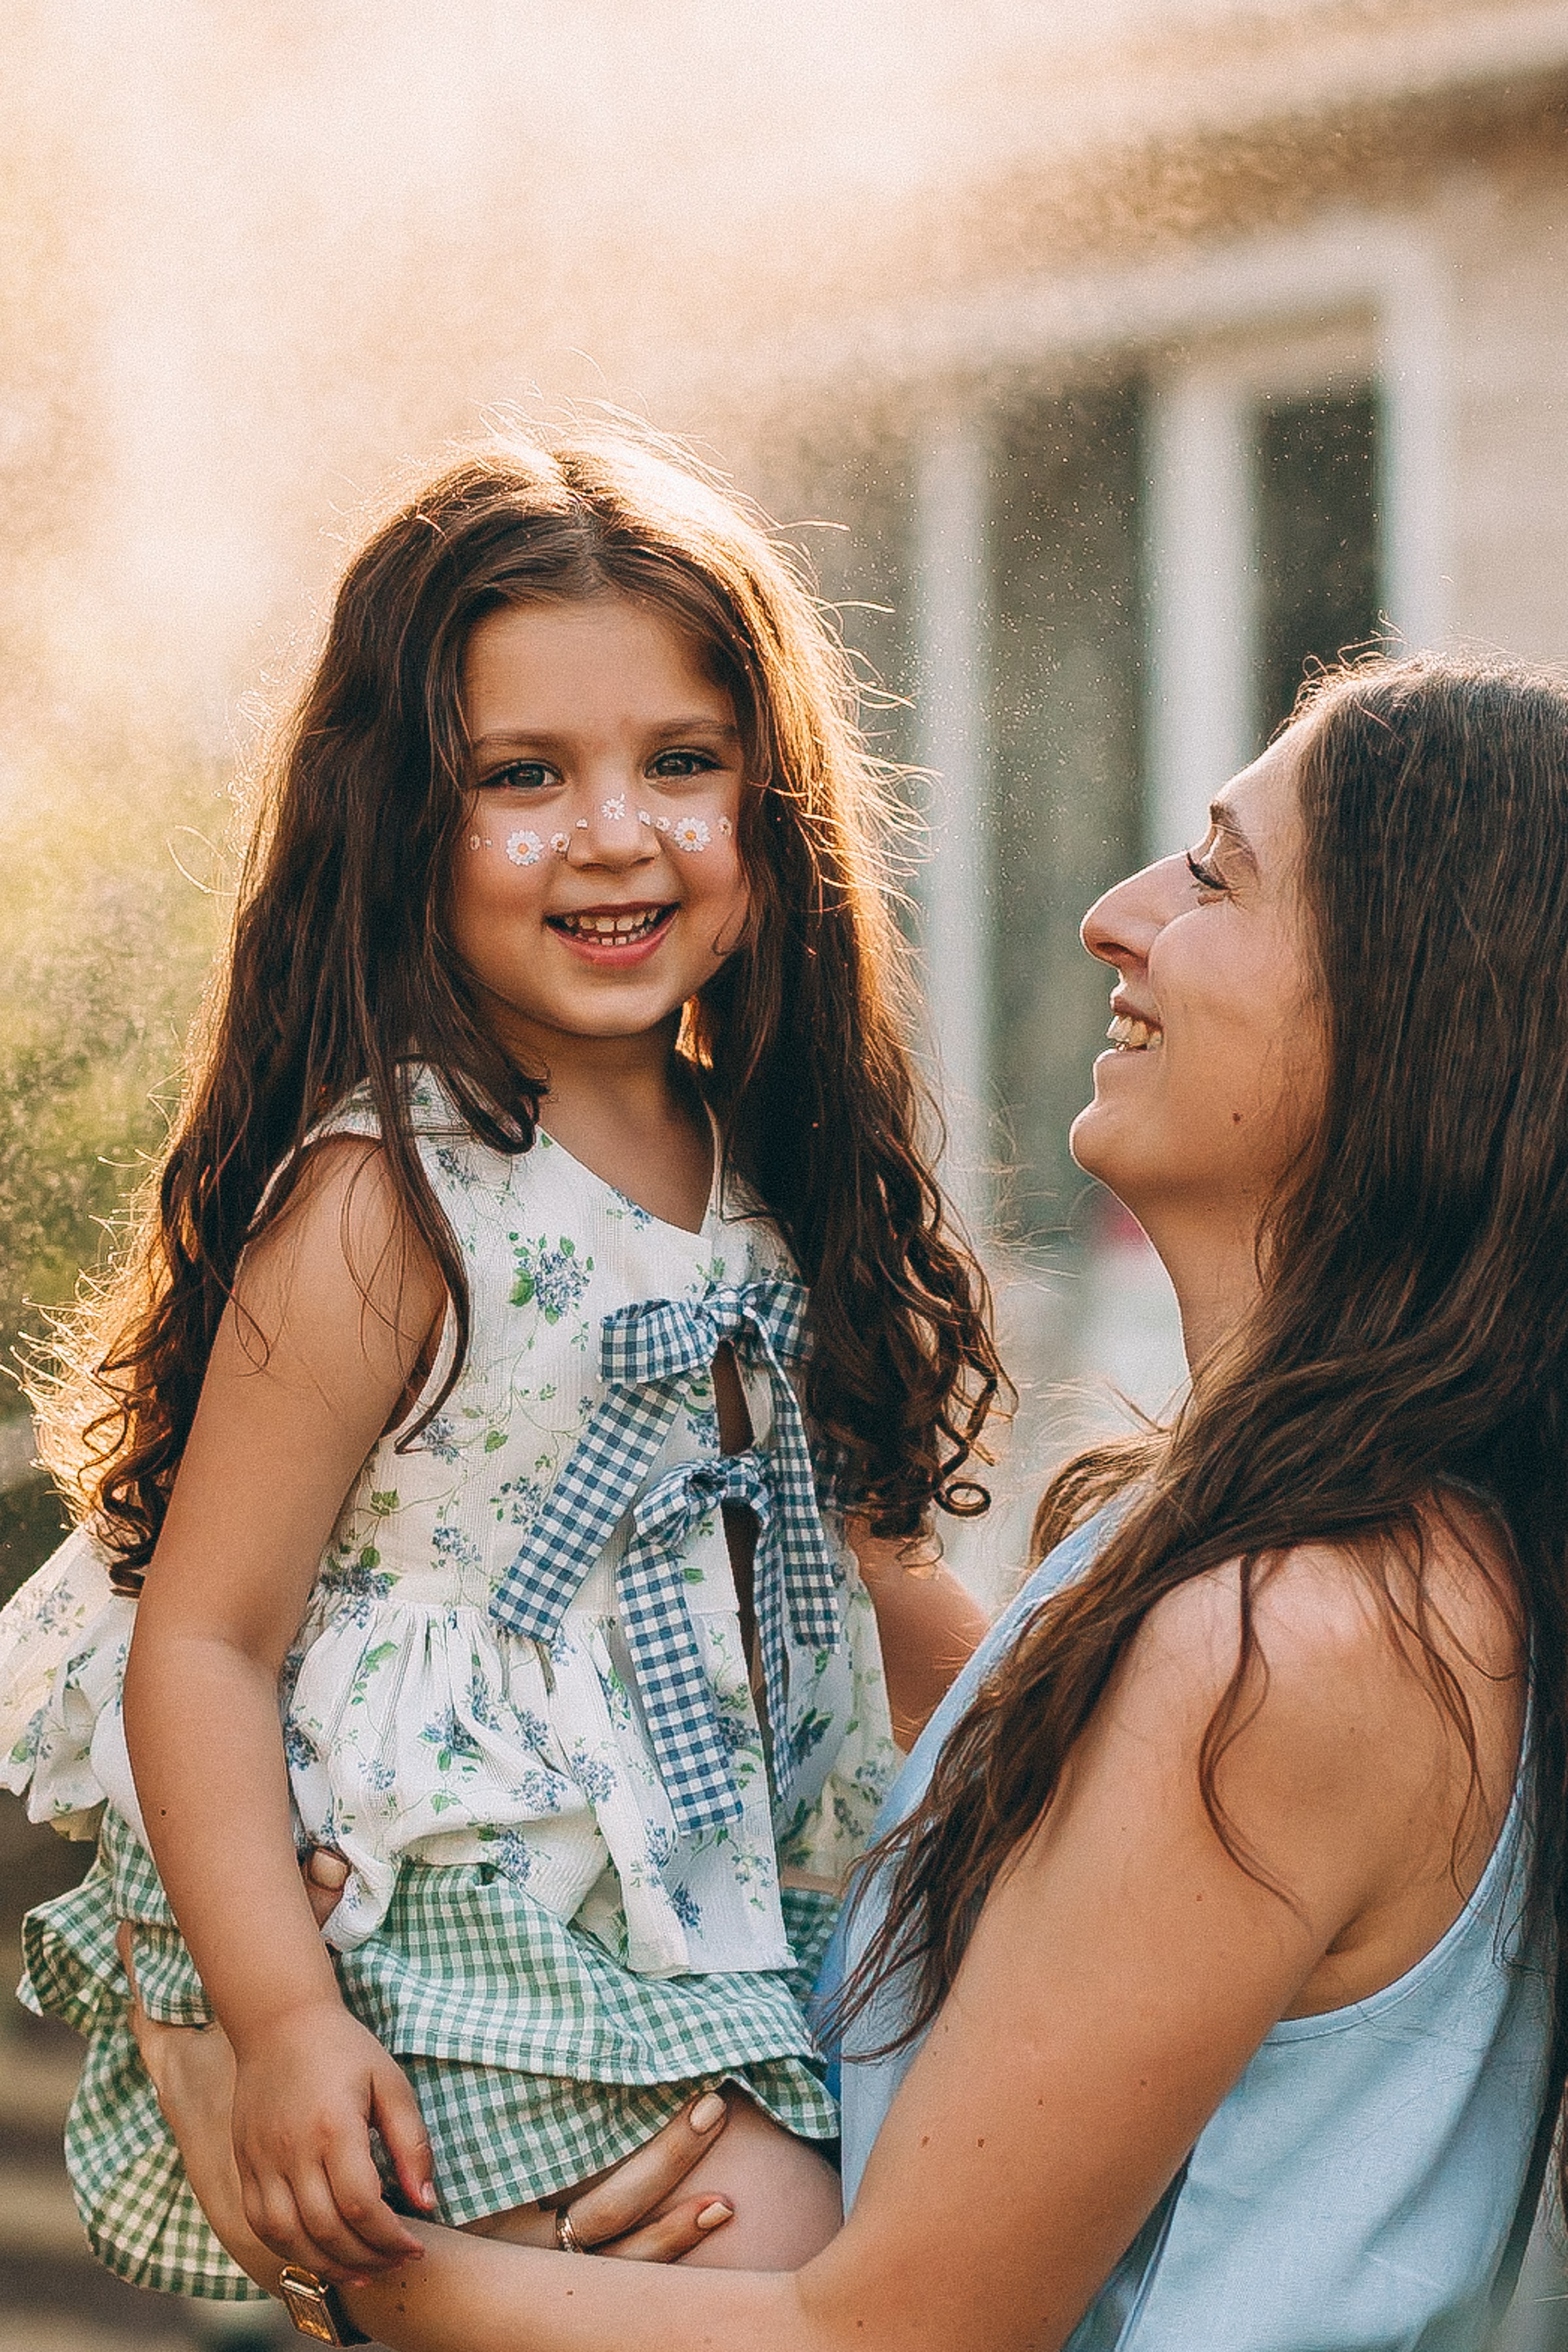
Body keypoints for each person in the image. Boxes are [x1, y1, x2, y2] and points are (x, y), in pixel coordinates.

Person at [123, 653, 1568, 2351]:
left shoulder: (1309, 1632)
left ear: (1416, 1011)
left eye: (1218, 874)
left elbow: (882, 2339)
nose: (1116, 915)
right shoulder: (1244, 1555)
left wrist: (340, 2246)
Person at [0, 431, 1002, 2312]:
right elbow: (202, 1638)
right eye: (520, 777)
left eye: (680, 765)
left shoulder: (760, 1177)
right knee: (788, 2280)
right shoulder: (397, 1195)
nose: (612, 832)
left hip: (706, 1907)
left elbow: (872, 1578)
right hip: (449, 1909)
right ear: (395, 825)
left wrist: (1100, 1734)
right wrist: (281, 2023)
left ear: (772, 809)